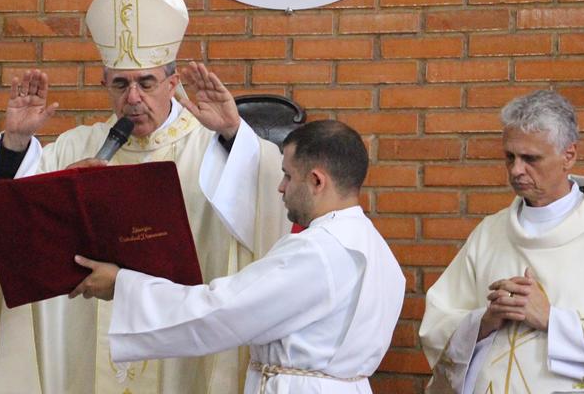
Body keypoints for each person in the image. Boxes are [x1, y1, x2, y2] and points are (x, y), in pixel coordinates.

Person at [0, 0, 289, 394]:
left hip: (181, 355)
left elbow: (270, 202)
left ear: (172, 82)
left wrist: (232, 133)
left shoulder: (213, 145)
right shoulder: (76, 148)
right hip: (88, 340)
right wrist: (15, 143)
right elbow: (12, 228)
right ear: (103, 82)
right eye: (120, 84)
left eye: (146, 83)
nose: (132, 98)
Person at [70, 120, 405, 394]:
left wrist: (123, 285)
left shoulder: (317, 250)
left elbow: (220, 311)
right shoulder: (374, 247)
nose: (281, 187)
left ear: (316, 181)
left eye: (288, 175)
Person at [419, 90, 584, 393]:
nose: (516, 170)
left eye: (530, 158)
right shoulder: (490, 233)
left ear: (568, 156)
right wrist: (485, 321)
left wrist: (552, 320)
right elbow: (437, 326)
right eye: (510, 157)